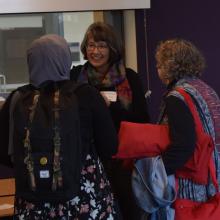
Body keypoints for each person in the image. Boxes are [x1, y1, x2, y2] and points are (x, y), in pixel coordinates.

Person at [0, 34, 120, 219]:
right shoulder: (85, 94)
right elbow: (110, 146)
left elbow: (5, 153)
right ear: (65, 59)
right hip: (83, 197)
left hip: (33, 200)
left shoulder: (17, 98)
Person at [70, 22, 149, 220]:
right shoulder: (74, 76)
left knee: (127, 212)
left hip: (122, 162)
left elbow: (143, 121)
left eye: (101, 46)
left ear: (112, 48)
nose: (95, 51)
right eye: (91, 45)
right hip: (86, 161)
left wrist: (111, 108)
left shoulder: (129, 77)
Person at [155, 39, 220, 216]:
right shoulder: (206, 90)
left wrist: (156, 171)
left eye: (159, 64)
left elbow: (183, 145)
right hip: (213, 182)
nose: (157, 69)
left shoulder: (177, 96)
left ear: (169, 66)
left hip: (190, 189)